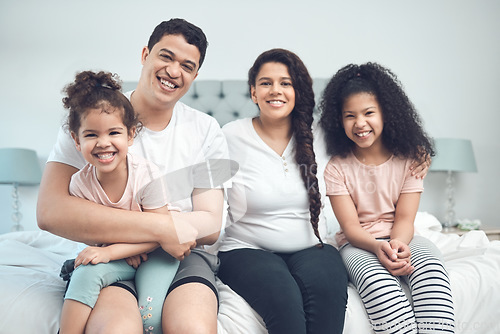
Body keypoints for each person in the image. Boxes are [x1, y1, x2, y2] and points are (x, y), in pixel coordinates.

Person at [37, 19, 228, 334]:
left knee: (191, 328)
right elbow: (49, 211)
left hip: (181, 255)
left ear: (194, 75)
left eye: (187, 65)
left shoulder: (207, 129)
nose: (173, 71)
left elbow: (210, 223)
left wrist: (165, 236)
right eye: (166, 56)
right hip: (111, 253)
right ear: (145, 55)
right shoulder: (92, 118)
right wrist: (162, 227)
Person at [216, 48, 349, 334]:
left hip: (312, 246)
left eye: (285, 83)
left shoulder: (322, 136)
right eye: (266, 83)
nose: (276, 90)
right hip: (245, 250)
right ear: (253, 93)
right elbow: (199, 189)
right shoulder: (229, 135)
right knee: (285, 305)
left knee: (329, 300)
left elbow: (372, 142)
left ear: (297, 91)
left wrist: (416, 155)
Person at [320, 62, 455, 333]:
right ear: (339, 120)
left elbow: (405, 218)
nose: (360, 123)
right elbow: (351, 229)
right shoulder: (335, 168)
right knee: (379, 286)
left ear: (386, 114)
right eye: (349, 116)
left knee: (432, 274)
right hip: (358, 244)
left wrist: (397, 245)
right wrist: (378, 248)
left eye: (369, 113)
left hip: (403, 236)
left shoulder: (411, 160)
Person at [58, 70, 182, 334]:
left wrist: (111, 252)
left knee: (150, 317)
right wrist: (114, 251)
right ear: (76, 140)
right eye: (91, 135)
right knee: (84, 274)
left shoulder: (146, 176)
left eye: (113, 132)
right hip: (119, 253)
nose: (104, 143)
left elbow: (162, 233)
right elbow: (93, 234)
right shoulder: (79, 184)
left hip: (158, 253)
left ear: (131, 134)